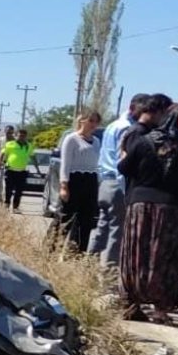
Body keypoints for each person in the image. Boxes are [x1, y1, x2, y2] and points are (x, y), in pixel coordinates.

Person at [118, 101, 178, 324]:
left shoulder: (144, 141)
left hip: (142, 206)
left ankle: (131, 303)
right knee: (169, 259)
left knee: (136, 255)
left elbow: (124, 168)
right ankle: (160, 310)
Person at [89, 94, 148, 268]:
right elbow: (121, 161)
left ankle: (86, 265)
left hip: (106, 182)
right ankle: (109, 273)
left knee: (103, 227)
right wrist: (126, 191)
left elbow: (103, 156)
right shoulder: (127, 128)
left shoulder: (112, 125)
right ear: (132, 108)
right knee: (117, 231)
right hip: (118, 183)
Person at [59, 111, 103, 252]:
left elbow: (98, 164)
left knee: (86, 219)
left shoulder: (96, 141)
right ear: (82, 121)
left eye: (96, 122)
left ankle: (79, 252)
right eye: (91, 121)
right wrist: (64, 185)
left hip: (90, 181)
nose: (93, 125)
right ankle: (53, 248)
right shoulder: (71, 139)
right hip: (75, 179)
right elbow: (65, 164)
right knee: (66, 216)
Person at [1, 128, 34, 213]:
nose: (21, 137)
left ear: (26, 136)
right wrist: (0, 163)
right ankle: (6, 204)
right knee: (9, 189)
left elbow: (32, 156)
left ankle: (15, 207)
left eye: (23, 136)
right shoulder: (10, 144)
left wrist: (37, 168)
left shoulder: (28, 145)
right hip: (10, 170)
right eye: (19, 135)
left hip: (22, 171)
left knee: (19, 190)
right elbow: (3, 154)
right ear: (16, 135)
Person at [0, 125, 16, 203]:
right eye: (7, 132)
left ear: (13, 132)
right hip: (0, 163)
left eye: (10, 132)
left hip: (10, 165)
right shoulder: (1, 140)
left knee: (5, 183)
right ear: (4, 131)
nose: (8, 134)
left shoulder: (15, 141)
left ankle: (4, 198)